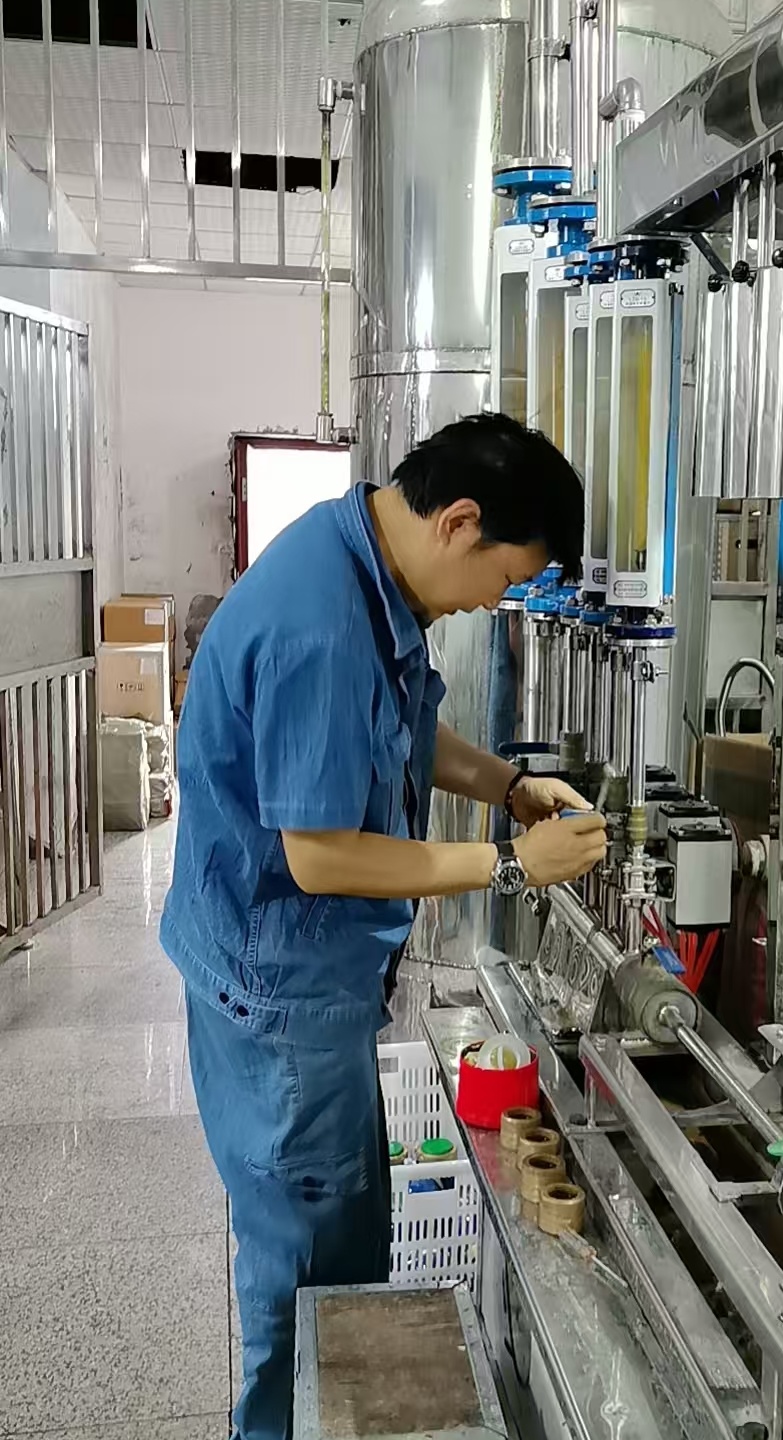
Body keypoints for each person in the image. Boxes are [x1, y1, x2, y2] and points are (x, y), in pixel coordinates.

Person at [159, 412, 606, 1440]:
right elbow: (320, 857)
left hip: (302, 979)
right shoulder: (320, 622)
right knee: (308, 1276)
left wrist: (509, 787)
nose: (494, 602)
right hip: (280, 995)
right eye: (505, 578)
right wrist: (509, 863)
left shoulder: (366, 570)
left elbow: (405, 728)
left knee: (348, 1242)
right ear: (460, 522)